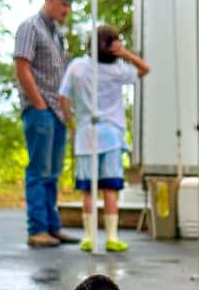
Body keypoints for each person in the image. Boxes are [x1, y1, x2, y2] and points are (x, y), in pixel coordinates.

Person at [59, 25, 150, 253]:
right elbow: (144, 69)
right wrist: (125, 53)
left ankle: (89, 237)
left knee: (89, 189)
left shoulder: (78, 67)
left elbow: (63, 96)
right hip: (111, 134)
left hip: (86, 134)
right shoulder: (118, 71)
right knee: (110, 188)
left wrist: (71, 123)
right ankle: (112, 235)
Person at [14, 0, 78, 248]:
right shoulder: (31, 27)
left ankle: (52, 226)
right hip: (39, 109)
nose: (66, 10)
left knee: (53, 171)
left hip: (57, 111)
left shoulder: (57, 35)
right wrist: (38, 102)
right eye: (63, 4)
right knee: (39, 170)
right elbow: (22, 66)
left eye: (69, 6)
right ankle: (37, 228)